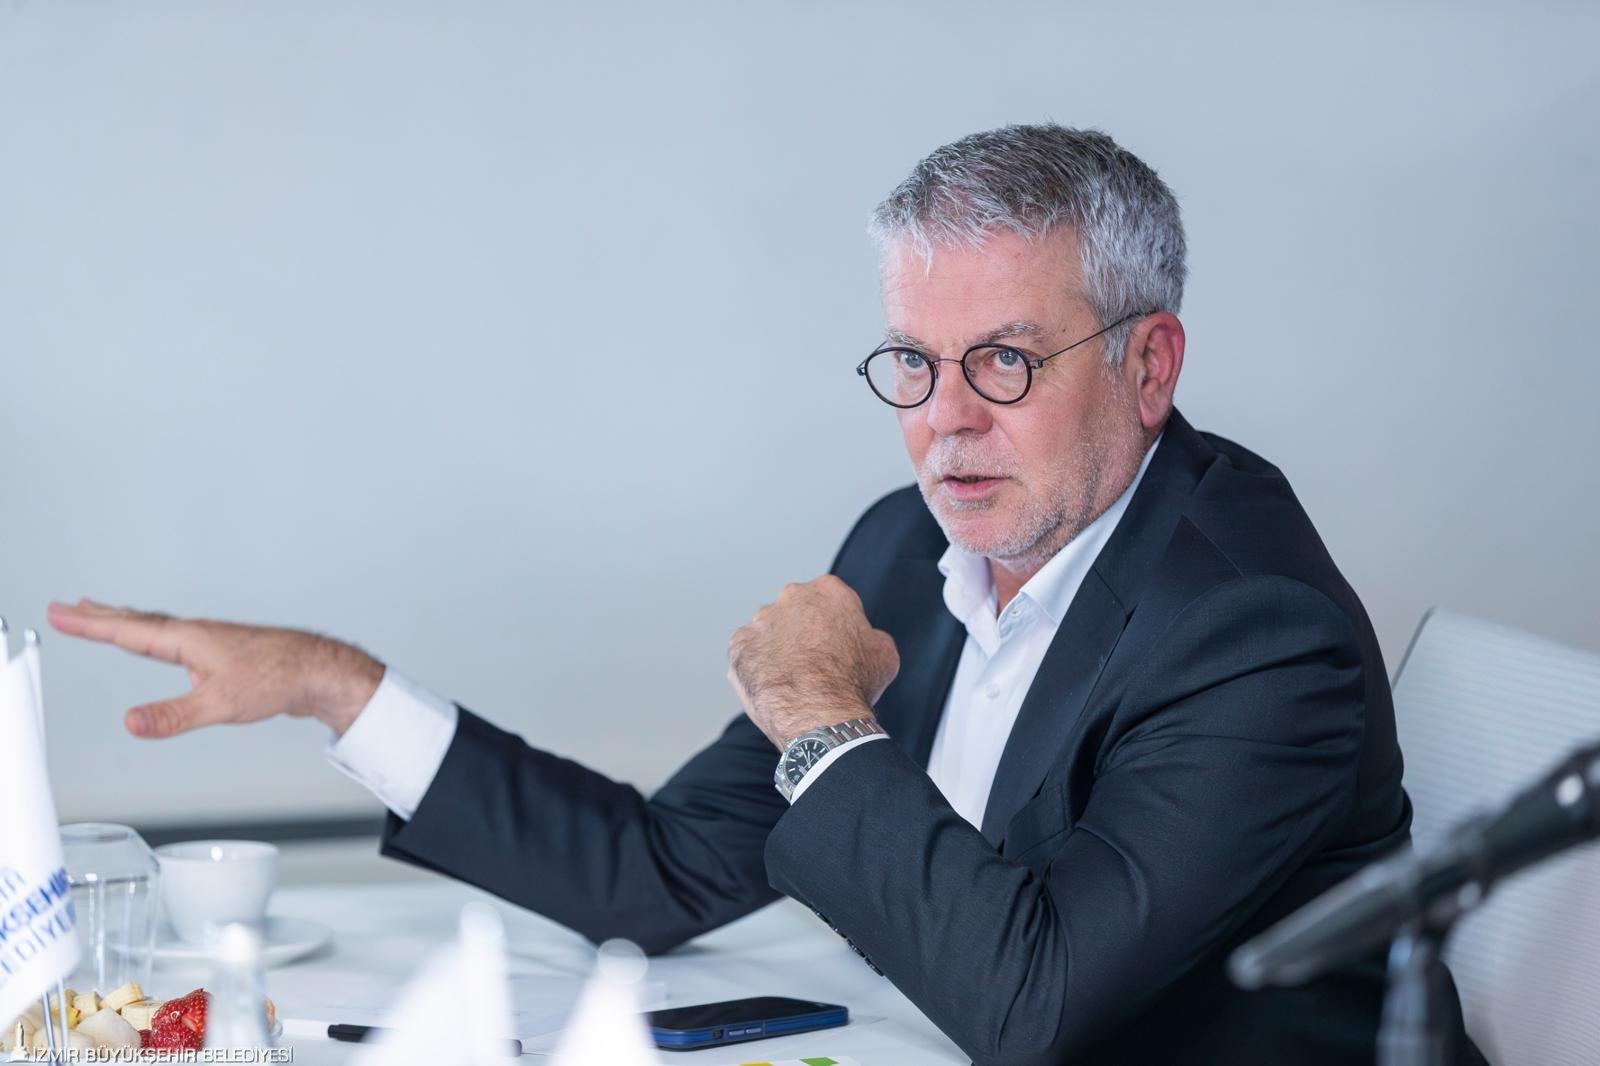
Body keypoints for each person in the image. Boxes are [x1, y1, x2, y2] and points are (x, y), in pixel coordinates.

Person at [50, 124, 1484, 1065]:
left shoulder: (1252, 631)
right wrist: (336, 685)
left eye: (1005, 361)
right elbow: (658, 873)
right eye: (912, 363)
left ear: (1149, 364)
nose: (944, 422)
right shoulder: (911, 545)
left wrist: (818, 712)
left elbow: (1036, 1006)